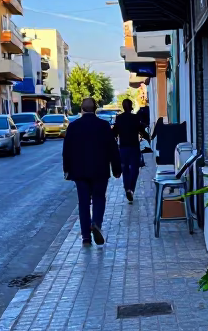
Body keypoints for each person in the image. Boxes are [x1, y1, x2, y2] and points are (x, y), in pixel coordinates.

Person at [62, 97, 121, 246]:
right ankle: (96, 224)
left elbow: (67, 150)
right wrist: (116, 168)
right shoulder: (103, 125)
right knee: (99, 198)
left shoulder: (73, 126)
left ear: (81, 109)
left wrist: (67, 170)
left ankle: (86, 238)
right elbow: (113, 148)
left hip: (79, 172)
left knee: (83, 203)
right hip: (100, 170)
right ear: (95, 109)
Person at [113, 99, 150, 203]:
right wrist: (148, 137)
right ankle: (131, 190)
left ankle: (127, 189)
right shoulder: (135, 118)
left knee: (125, 170)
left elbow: (114, 132)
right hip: (134, 147)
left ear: (123, 107)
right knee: (135, 169)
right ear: (131, 106)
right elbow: (141, 130)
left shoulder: (119, 118)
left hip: (123, 148)